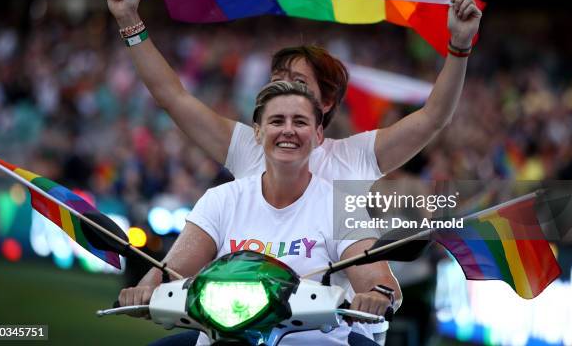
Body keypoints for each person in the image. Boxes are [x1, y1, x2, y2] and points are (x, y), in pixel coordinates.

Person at [105, 0, 483, 183]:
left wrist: (460, 44)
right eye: (277, 78)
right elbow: (173, 96)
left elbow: (434, 116)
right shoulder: (245, 148)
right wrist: (129, 21)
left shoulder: (357, 158)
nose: (283, 88)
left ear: (328, 102)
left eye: (299, 83)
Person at [119, 81, 402, 345]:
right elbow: (169, 273)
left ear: (318, 135)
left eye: (300, 122)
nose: (288, 130)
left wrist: (378, 294)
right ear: (257, 131)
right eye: (277, 121)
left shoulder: (340, 205)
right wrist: (145, 290)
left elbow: (380, 281)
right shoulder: (222, 199)